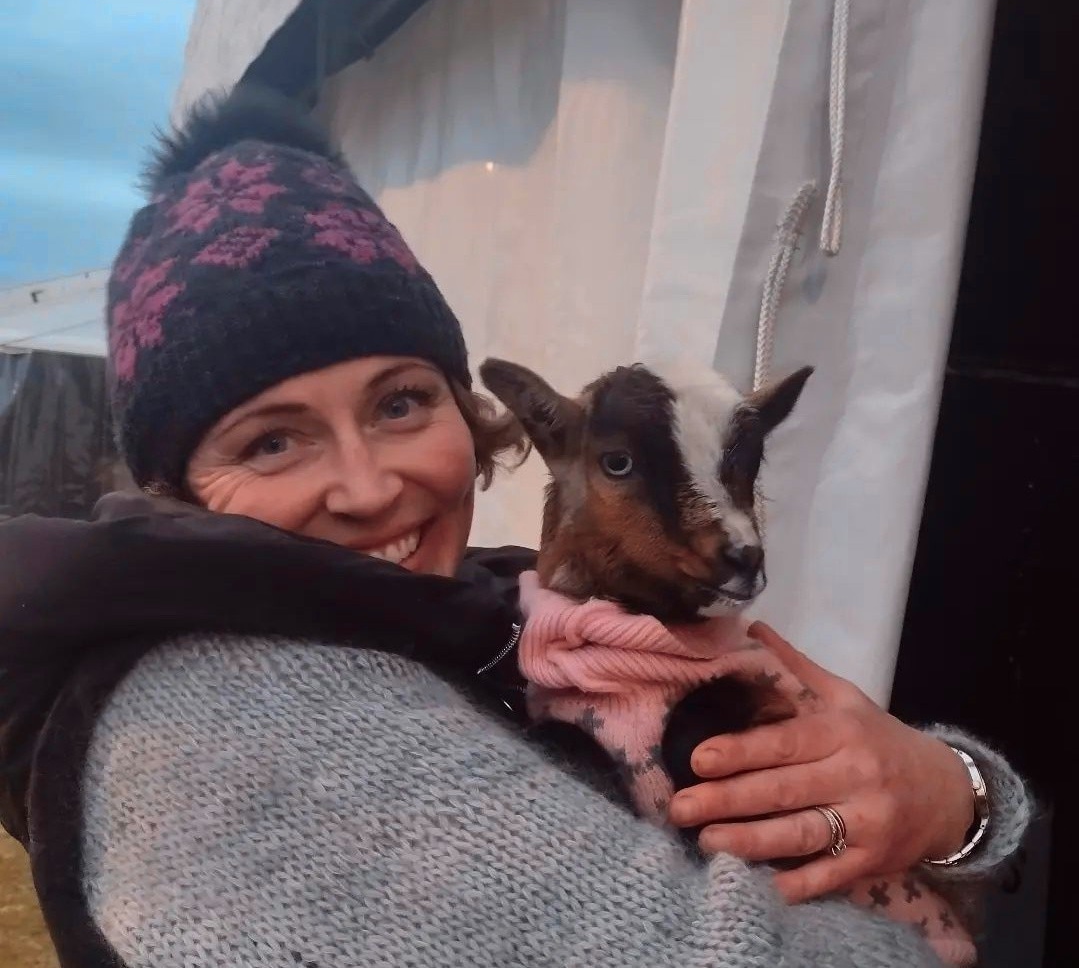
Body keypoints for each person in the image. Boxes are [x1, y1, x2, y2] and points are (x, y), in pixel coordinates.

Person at [0, 90, 1029, 968]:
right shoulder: (231, 716)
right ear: (177, 487)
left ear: (464, 407)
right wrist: (953, 840)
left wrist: (952, 794)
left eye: (399, 402)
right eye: (272, 441)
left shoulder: (492, 618)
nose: (367, 486)